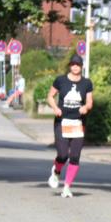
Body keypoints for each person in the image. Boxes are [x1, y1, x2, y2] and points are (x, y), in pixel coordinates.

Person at [46, 54, 93, 198]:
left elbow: (90, 102)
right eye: (73, 64)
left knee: (75, 156)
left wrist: (86, 108)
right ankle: (56, 171)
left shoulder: (87, 83)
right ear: (69, 66)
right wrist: (55, 108)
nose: (75, 67)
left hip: (78, 122)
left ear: (81, 66)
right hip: (62, 121)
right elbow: (50, 96)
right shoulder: (60, 80)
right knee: (63, 154)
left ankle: (67, 187)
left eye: (78, 64)